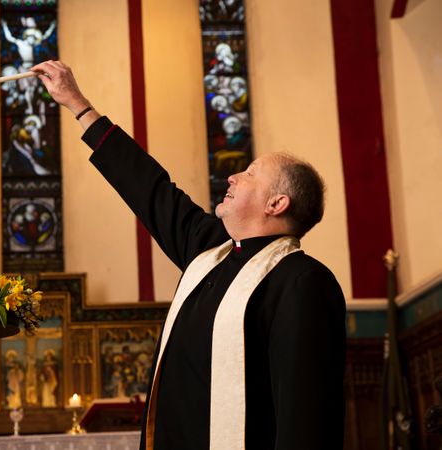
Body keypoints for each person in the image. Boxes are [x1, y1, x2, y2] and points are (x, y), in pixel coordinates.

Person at [31, 60, 346, 450]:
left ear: (277, 203)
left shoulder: (302, 281)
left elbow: (307, 415)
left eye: (248, 174)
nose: (232, 177)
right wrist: (78, 105)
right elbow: (149, 187)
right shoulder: (208, 249)